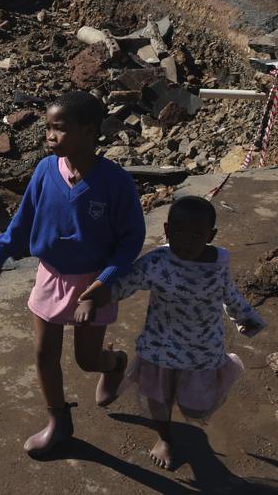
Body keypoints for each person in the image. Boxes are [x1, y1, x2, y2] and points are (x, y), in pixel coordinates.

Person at [0, 90, 146, 457]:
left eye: (60, 129)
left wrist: (104, 283)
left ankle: (115, 363)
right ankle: (59, 420)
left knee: (86, 360)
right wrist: (1, 252)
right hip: (51, 274)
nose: (51, 137)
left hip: (94, 282)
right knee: (44, 354)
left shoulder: (116, 183)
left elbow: (131, 240)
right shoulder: (44, 171)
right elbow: (24, 219)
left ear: (89, 131)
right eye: (48, 129)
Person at [81, 196, 266, 470]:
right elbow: (126, 284)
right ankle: (164, 438)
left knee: (195, 407)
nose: (187, 240)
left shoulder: (219, 262)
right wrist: (93, 299)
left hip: (202, 351)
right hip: (160, 347)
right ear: (167, 230)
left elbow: (229, 294)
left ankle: (119, 368)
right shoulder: (158, 261)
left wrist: (246, 317)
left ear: (211, 235)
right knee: (158, 399)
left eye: (196, 234)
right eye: (179, 232)